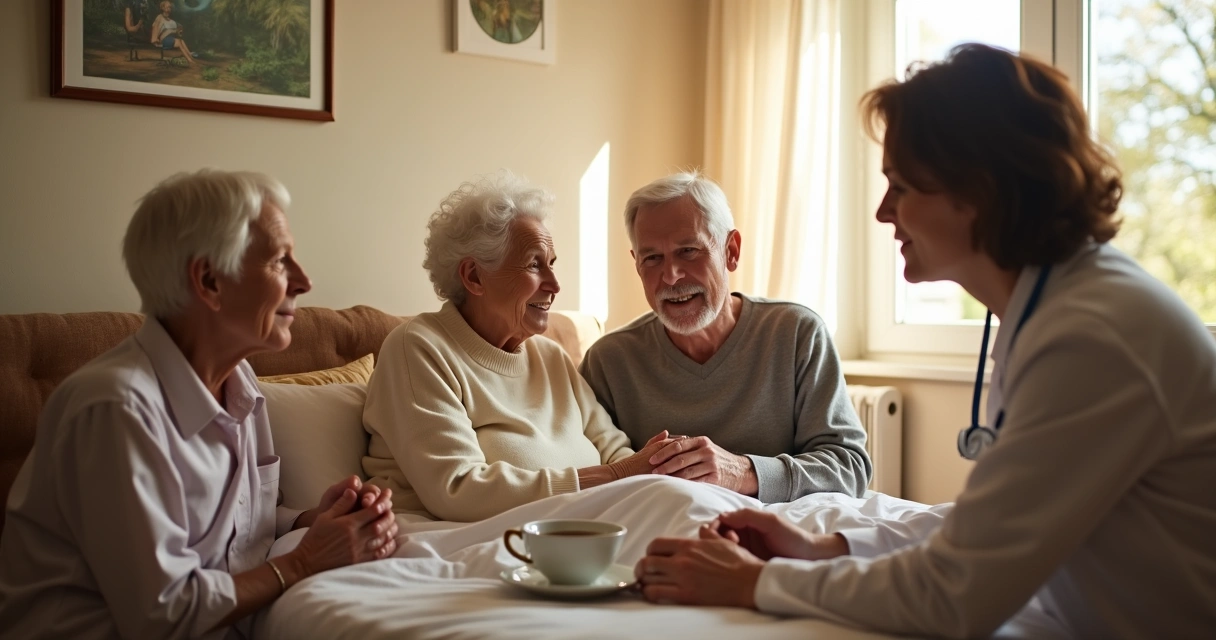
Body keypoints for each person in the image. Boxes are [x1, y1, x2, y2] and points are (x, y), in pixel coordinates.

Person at [634, 43, 1216, 638]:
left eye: (901, 186)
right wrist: (825, 547)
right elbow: (990, 526)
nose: (884, 212)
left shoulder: (1094, 338)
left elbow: (954, 594)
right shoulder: (1052, 312)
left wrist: (754, 583)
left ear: (981, 189)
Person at [0, 170, 399, 639]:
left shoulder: (239, 381)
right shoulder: (115, 409)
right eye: (279, 261)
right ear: (209, 280)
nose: (304, 280)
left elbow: (233, 528)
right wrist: (307, 560)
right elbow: (162, 614)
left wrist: (316, 521)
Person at [362, 172, 677, 523]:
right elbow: (457, 489)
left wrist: (656, 467)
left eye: (552, 264)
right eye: (534, 264)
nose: (555, 284)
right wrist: (615, 477)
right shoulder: (418, 348)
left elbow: (615, 451)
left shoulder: (550, 356)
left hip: (579, 527)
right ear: (474, 276)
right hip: (458, 536)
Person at [579, 171, 871, 503]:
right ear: (637, 265)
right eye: (653, 258)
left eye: (688, 251)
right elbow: (587, 477)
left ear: (731, 251)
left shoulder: (796, 334)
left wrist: (743, 473)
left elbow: (850, 467)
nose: (670, 276)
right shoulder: (608, 361)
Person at [151, 0, 197, 66]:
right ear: (163, 8)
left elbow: (177, 31)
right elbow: (155, 27)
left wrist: (178, 31)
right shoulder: (159, 17)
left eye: (170, 7)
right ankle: (189, 60)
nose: (169, 9)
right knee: (179, 42)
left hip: (169, 39)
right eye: (167, 7)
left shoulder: (170, 20)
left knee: (181, 41)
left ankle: (190, 56)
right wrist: (154, 40)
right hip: (163, 41)